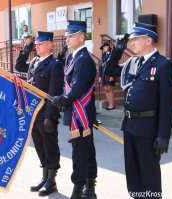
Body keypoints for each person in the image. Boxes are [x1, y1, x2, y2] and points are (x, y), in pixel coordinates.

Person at [104, 22, 172, 199]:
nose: (132, 43)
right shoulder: (132, 62)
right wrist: (117, 51)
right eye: (131, 40)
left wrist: (163, 135)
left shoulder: (163, 65)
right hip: (129, 125)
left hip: (148, 128)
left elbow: (167, 104)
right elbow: (109, 70)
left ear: (148, 40)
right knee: (132, 168)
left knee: (148, 171)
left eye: (135, 39)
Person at [52, 20, 98, 199]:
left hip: (82, 114)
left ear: (81, 37)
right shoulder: (73, 57)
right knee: (85, 150)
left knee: (81, 153)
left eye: (70, 36)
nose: (67, 39)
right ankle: (90, 188)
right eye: (67, 36)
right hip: (77, 113)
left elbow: (77, 89)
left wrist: (60, 100)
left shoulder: (84, 59)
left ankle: (79, 189)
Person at [15, 31, 64, 196]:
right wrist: (26, 47)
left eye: (39, 44)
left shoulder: (55, 64)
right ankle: (44, 176)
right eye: (35, 44)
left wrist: (50, 116)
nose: (37, 46)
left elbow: (53, 92)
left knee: (50, 146)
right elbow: (18, 66)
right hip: (34, 112)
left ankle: (52, 180)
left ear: (49, 44)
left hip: (46, 114)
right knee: (39, 145)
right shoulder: (35, 62)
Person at [99, 41, 116, 110]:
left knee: (110, 89)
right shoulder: (104, 56)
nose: (104, 48)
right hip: (103, 75)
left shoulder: (112, 54)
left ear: (108, 47)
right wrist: (100, 76)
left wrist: (113, 76)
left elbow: (114, 66)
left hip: (110, 75)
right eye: (103, 47)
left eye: (105, 47)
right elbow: (101, 67)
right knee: (106, 89)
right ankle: (109, 104)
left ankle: (112, 105)